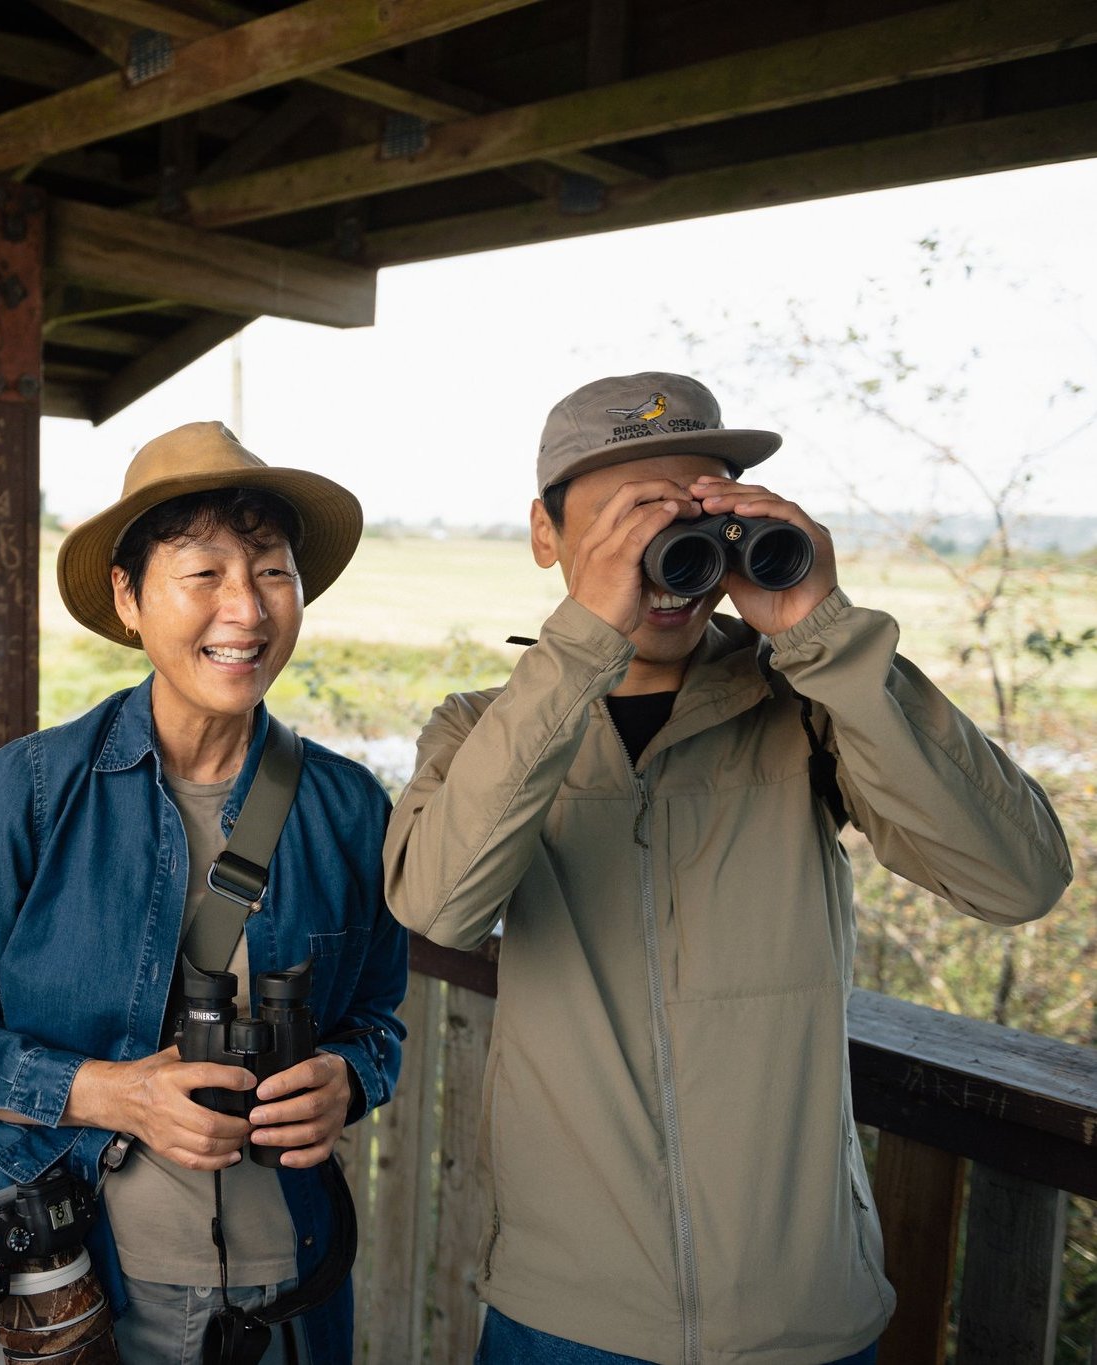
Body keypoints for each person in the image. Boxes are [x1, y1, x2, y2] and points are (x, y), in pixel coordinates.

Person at [382, 371, 1072, 1365]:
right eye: (632, 519)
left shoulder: (808, 707)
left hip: (803, 1313)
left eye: (701, 514)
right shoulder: (480, 727)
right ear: (546, 535)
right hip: (568, 1313)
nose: (669, 555)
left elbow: (1019, 881)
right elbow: (442, 905)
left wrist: (821, 632)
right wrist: (583, 643)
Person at [0, 422, 408, 1365]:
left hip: (295, 1287)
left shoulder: (345, 804)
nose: (245, 610)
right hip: (78, 1287)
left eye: (273, 573)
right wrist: (111, 1093)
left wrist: (351, 1077)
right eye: (202, 573)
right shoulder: (34, 789)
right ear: (128, 597)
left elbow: (379, 1016)